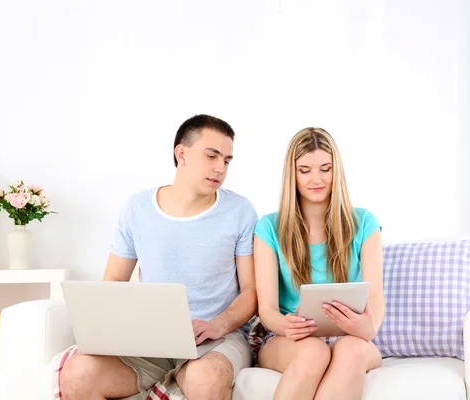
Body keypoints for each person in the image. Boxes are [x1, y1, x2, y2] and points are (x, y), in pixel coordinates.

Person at [60, 114, 258, 400]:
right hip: (151, 340)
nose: (220, 168)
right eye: (211, 156)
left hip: (217, 339)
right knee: (78, 373)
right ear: (182, 153)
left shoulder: (240, 210)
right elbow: (114, 278)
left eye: (226, 160)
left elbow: (251, 291)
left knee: (205, 378)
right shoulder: (137, 208)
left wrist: (219, 325)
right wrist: (113, 328)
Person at [253, 127, 385, 400]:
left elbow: (375, 295)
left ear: (337, 171)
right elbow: (266, 309)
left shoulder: (365, 223)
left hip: (349, 336)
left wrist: (367, 328)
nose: (317, 179)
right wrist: (285, 325)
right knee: (314, 351)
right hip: (288, 338)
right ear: (293, 174)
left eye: (325, 168)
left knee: (350, 350)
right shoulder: (268, 227)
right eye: (305, 170)